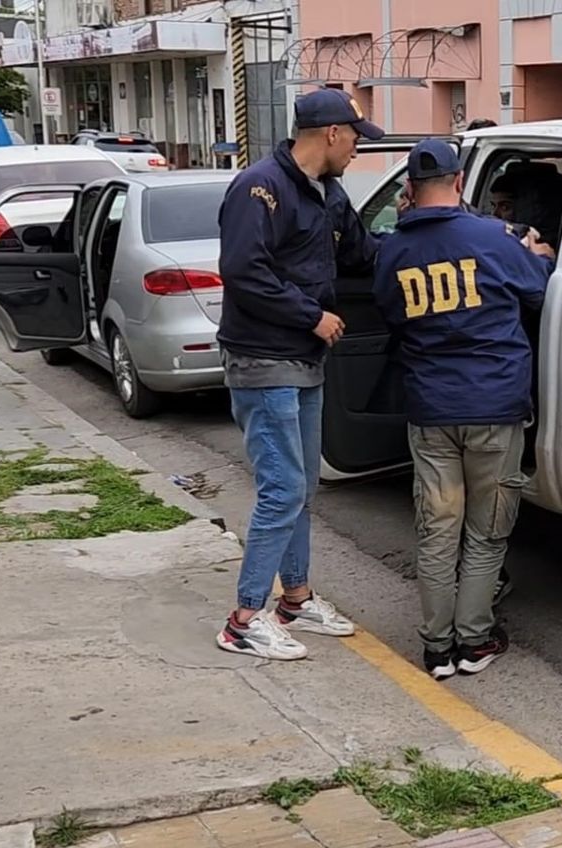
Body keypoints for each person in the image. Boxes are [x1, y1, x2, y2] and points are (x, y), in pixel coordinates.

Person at [373, 139, 555, 679]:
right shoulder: (492, 239)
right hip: (495, 407)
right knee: (487, 529)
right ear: (458, 183)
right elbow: (538, 291)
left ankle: (436, 647)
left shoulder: (392, 252)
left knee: (437, 529)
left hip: (431, 411)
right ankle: (474, 641)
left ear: (409, 190)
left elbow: (388, 312)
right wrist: (538, 256)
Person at [213, 88, 383, 660]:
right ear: (332, 134)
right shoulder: (259, 188)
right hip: (263, 360)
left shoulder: (328, 194)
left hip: (304, 363)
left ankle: (296, 599)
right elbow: (242, 270)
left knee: (303, 485)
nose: (360, 149)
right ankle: (244, 619)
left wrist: (441, 235)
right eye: (357, 138)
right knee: (282, 488)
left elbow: (364, 255)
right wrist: (310, 316)